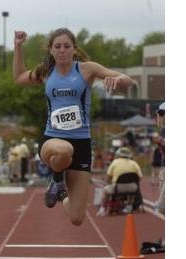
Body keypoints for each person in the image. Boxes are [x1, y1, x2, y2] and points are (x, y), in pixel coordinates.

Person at [13, 28, 134, 226]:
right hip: (51, 141)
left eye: (66, 46)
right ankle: (58, 179)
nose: (62, 50)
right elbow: (19, 78)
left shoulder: (86, 69)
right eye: (57, 46)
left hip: (82, 144)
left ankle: (60, 192)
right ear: (51, 50)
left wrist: (119, 79)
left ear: (74, 49)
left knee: (77, 218)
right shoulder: (46, 72)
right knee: (64, 149)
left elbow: (128, 81)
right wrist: (18, 47)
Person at [96, 147, 143, 217]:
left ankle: (102, 209)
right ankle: (129, 208)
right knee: (131, 191)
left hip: (118, 188)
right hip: (133, 188)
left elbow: (108, 177)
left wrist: (110, 183)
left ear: (119, 154)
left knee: (105, 190)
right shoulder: (134, 163)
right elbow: (140, 177)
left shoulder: (114, 162)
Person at [152, 103, 165, 214]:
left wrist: (161, 141)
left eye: (161, 114)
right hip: (163, 165)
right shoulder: (163, 130)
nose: (159, 117)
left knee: (161, 207)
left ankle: (160, 204)